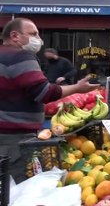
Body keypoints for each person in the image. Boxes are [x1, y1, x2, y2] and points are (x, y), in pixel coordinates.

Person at [0, 18, 100, 183]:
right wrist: (77, 87)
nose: (39, 39)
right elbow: (44, 93)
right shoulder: (21, 56)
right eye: (33, 34)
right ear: (15, 36)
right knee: (15, 186)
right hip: (15, 137)